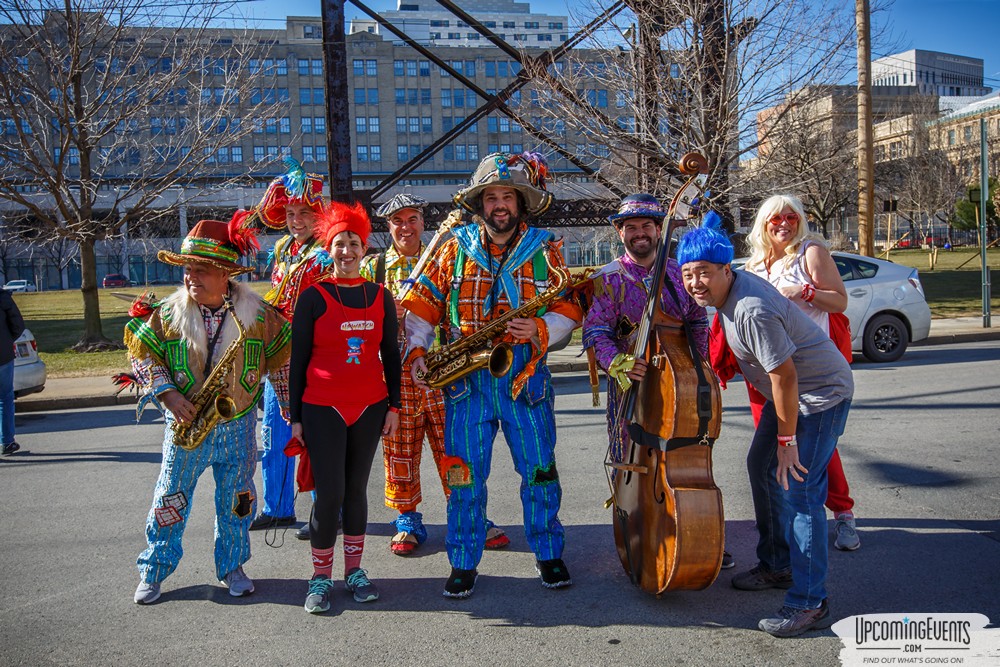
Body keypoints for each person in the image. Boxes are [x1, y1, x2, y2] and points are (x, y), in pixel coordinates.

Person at [402, 151, 582, 598]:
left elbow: (569, 308)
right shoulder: (451, 247)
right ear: (479, 203)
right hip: (466, 382)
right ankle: (463, 560)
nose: (499, 204)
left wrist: (540, 327)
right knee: (463, 475)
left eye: (508, 195)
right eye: (491, 196)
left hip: (526, 379)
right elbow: (421, 308)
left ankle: (548, 554)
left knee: (540, 471)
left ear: (521, 201)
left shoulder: (546, 246)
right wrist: (420, 350)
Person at [678, 215, 853, 638]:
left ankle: (810, 602)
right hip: (794, 394)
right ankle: (776, 564)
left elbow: (785, 376)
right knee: (761, 466)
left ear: (726, 270)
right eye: (687, 274)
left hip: (820, 395)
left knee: (801, 492)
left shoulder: (750, 308)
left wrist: (787, 440)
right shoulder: (728, 297)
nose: (695, 282)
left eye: (704, 273)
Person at [127, 216, 292, 605]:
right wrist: (167, 394)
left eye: (201, 271)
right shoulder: (166, 314)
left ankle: (233, 567)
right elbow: (141, 358)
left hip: (237, 426)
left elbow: (280, 366)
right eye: (188, 270)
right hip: (185, 425)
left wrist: (288, 409)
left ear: (225, 275)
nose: (191, 278)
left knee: (238, 500)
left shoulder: (258, 316)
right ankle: (153, 571)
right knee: (169, 497)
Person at [581, 193, 733, 569]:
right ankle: (637, 533)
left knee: (684, 459)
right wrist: (615, 360)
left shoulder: (679, 275)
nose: (639, 233)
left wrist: (699, 370)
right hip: (630, 389)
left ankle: (695, 530)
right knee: (628, 459)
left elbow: (698, 324)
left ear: (658, 229)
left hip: (676, 384)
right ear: (620, 234)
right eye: (630, 227)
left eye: (646, 225)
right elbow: (595, 330)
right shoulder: (608, 279)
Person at [360, 193, 509, 555]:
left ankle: (470, 515)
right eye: (397, 220)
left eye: (411, 219)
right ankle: (407, 521)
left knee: (454, 448)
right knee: (400, 450)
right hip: (393, 378)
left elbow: (459, 307)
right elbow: (357, 324)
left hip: (442, 372)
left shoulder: (444, 257)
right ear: (388, 225)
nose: (405, 227)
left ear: (422, 223)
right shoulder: (372, 269)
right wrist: (383, 313)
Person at [288, 201, 402, 615]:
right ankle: (320, 577)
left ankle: (354, 571)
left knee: (356, 490)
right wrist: (295, 418)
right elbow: (298, 359)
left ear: (364, 248)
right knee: (331, 492)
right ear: (329, 248)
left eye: (354, 242)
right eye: (340, 243)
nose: (347, 250)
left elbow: (391, 354)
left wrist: (394, 406)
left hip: (370, 406)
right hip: (322, 407)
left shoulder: (380, 297)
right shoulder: (313, 297)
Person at [742, 194, 860, 552]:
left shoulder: (810, 252)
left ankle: (842, 514)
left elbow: (839, 301)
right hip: (765, 371)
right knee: (772, 455)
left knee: (814, 450)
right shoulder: (752, 265)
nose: (783, 224)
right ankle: (780, 526)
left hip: (808, 371)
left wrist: (806, 291)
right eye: (775, 218)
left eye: (791, 218)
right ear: (763, 224)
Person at [249, 159, 331, 533]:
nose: (296, 219)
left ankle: (326, 510)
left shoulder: (329, 252)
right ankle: (278, 506)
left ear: (317, 215)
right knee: (274, 434)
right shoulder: (284, 249)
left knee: (314, 437)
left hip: (313, 357)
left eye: (304, 212)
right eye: (290, 212)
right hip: (277, 353)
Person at [0, 287, 25, 457]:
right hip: (2, 355)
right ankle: (7, 441)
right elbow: (18, 325)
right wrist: (8, 340)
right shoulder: (2, 297)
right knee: (5, 398)